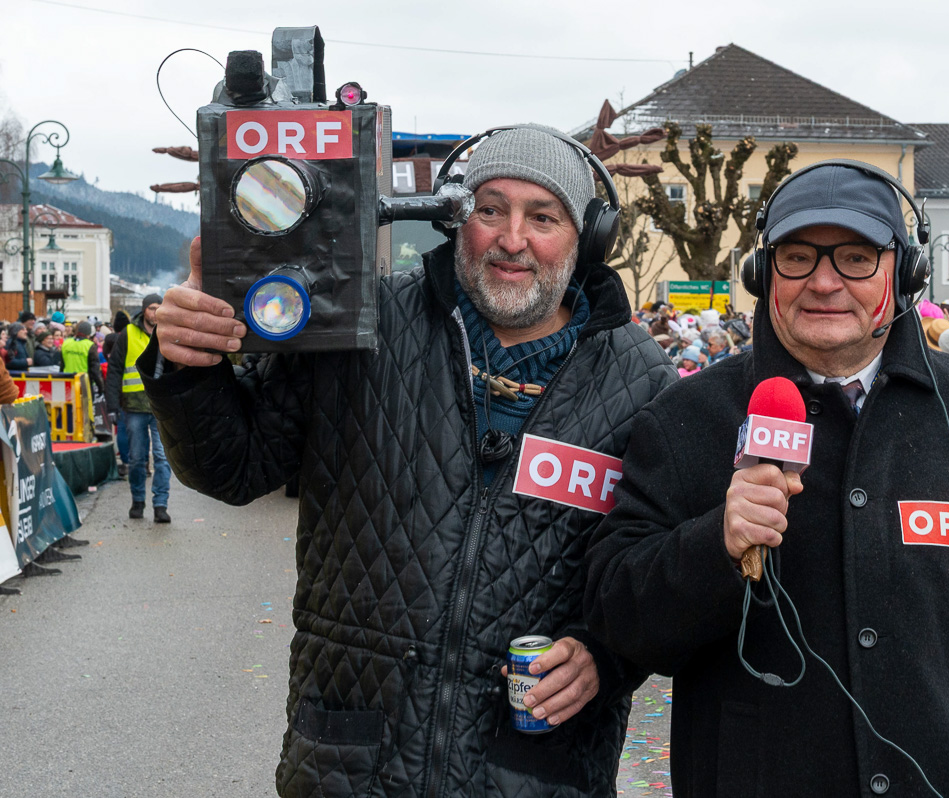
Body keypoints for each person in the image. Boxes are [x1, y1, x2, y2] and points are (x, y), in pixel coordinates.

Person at [139, 125, 676, 797]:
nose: (512, 239)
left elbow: (652, 569)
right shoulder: (362, 324)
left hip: (537, 773)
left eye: (543, 217)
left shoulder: (643, 383)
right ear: (454, 219)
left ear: (587, 238)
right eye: (489, 209)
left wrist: (608, 656)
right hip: (352, 762)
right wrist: (190, 367)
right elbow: (234, 468)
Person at [585, 160, 949, 797]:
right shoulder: (686, 418)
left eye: (856, 258)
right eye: (797, 258)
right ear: (763, 274)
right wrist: (716, 545)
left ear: (905, 272)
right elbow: (620, 620)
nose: (824, 282)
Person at [105, 294, 172, 523]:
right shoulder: (128, 334)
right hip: (134, 406)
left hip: (162, 407)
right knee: (136, 459)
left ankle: (160, 505)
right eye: (152, 308)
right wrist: (112, 405)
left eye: (160, 308)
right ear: (144, 310)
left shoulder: (168, 332)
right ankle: (138, 500)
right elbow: (114, 370)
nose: (156, 312)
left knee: (163, 458)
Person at [61, 320, 103, 400]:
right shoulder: (90, 346)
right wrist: (101, 387)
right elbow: (95, 371)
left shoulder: (66, 343)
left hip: (68, 384)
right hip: (84, 385)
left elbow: (62, 366)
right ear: (89, 334)